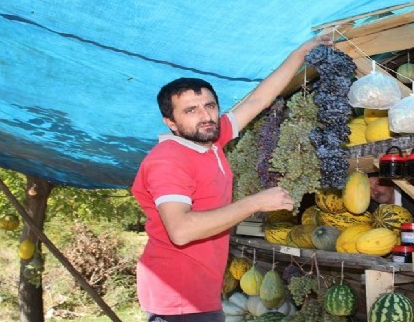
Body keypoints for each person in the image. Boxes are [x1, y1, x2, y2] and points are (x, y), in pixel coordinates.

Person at [131, 35, 333, 322]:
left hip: (201, 291)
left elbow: (260, 99)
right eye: (191, 110)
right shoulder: (169, 160)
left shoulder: (210, 141)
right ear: (171, 123)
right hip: (177, 295)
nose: (205, 116)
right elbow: (181, 230)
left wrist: (301, 52)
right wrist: (256, 202)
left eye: (209, 106)